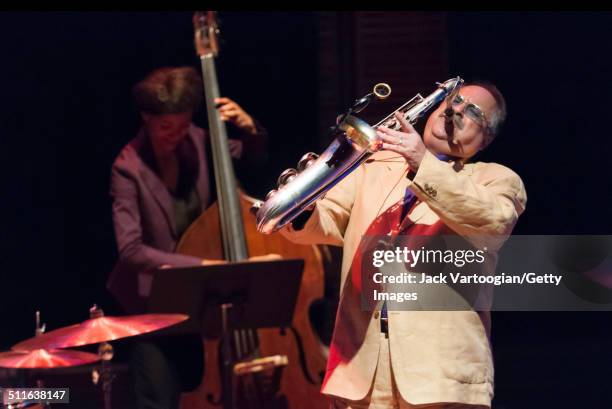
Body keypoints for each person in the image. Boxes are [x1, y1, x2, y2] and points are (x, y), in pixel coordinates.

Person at [281, 82, 527, 408]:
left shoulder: (494, 178)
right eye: (452, 101)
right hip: (360, 376)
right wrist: (302, 206)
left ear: (485, 140)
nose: (455, 110)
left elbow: (492, 224)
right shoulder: (376, 166)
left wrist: (423, 163)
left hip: (439, 380)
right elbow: (327, 219)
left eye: (472, 112)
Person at [106, 66, 267, 409]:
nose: (176, 135)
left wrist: (251, 129)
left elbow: (249, 158)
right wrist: (203, 265)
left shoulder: (196, 138)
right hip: (153, 307)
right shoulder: (127, 168)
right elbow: (132, 251)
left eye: (182, 124)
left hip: (201, 304)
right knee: (160, 398)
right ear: (146, 118)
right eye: (166, 127)